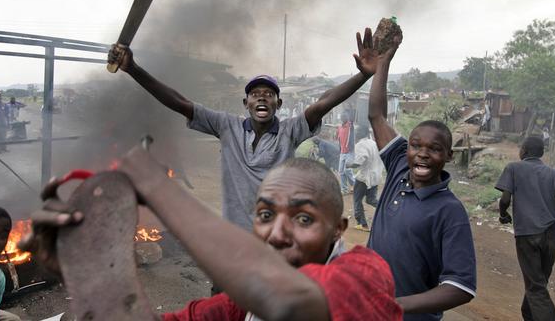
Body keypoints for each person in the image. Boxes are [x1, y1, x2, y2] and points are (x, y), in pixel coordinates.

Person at [20, 156, 403, 320]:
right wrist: (90, 272)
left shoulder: (365, 272)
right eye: (265, 215)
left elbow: (290, 303)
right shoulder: (241, 307)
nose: (277, 235)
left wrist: (154, 184)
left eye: (303, 217)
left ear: (339, 228)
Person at [107, 27, 386, 231]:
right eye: (255, 94)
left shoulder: (290, 130)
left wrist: (362, 75)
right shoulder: (226, 126)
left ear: (278, 103)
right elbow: (179, 102)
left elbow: (322, 103)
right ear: (246, 103)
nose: (262, 97)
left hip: (276, 239)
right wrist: (133, 69)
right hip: (233, 242)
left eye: (268, 94)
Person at [363, 31, 476, 320]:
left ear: (449, 156)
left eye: (434, 149)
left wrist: (396, 306)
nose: (423, 153)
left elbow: (460, 287)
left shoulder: (450, 211)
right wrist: (384, 62)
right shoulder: (401, 166)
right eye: (416, 146)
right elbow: (377, 116)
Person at [495, 136, 555, 321]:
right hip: (553, 235)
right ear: (542, 153)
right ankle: (529, 315)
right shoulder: (554, 173)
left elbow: (505, 199)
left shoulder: (513, 168)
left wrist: (503, 214)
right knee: (539, 283)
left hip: (528, 235)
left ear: (523, 150)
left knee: (536, 287)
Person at [349, 126, 384, 232]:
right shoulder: (373, 143)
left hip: (365, 178)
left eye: (357, 131)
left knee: (357, 200)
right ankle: (387, 211)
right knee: (371, 199)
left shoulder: (360, 145)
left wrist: (348, 165)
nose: (355, 134)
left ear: (361, 134)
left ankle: (362, 224)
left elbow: (358, 162)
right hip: (376, 176)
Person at [336, 111, 355, 195]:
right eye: (342, 118)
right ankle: (344, 189)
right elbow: (338, 138)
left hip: (350, 152)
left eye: (345, 118)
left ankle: (355, 185)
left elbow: (352, 124)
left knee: (347, 170)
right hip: (342, 152)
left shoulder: (350, 126)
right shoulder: (339, 127)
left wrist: (350, 121)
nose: (344, 119)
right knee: (341, 172)